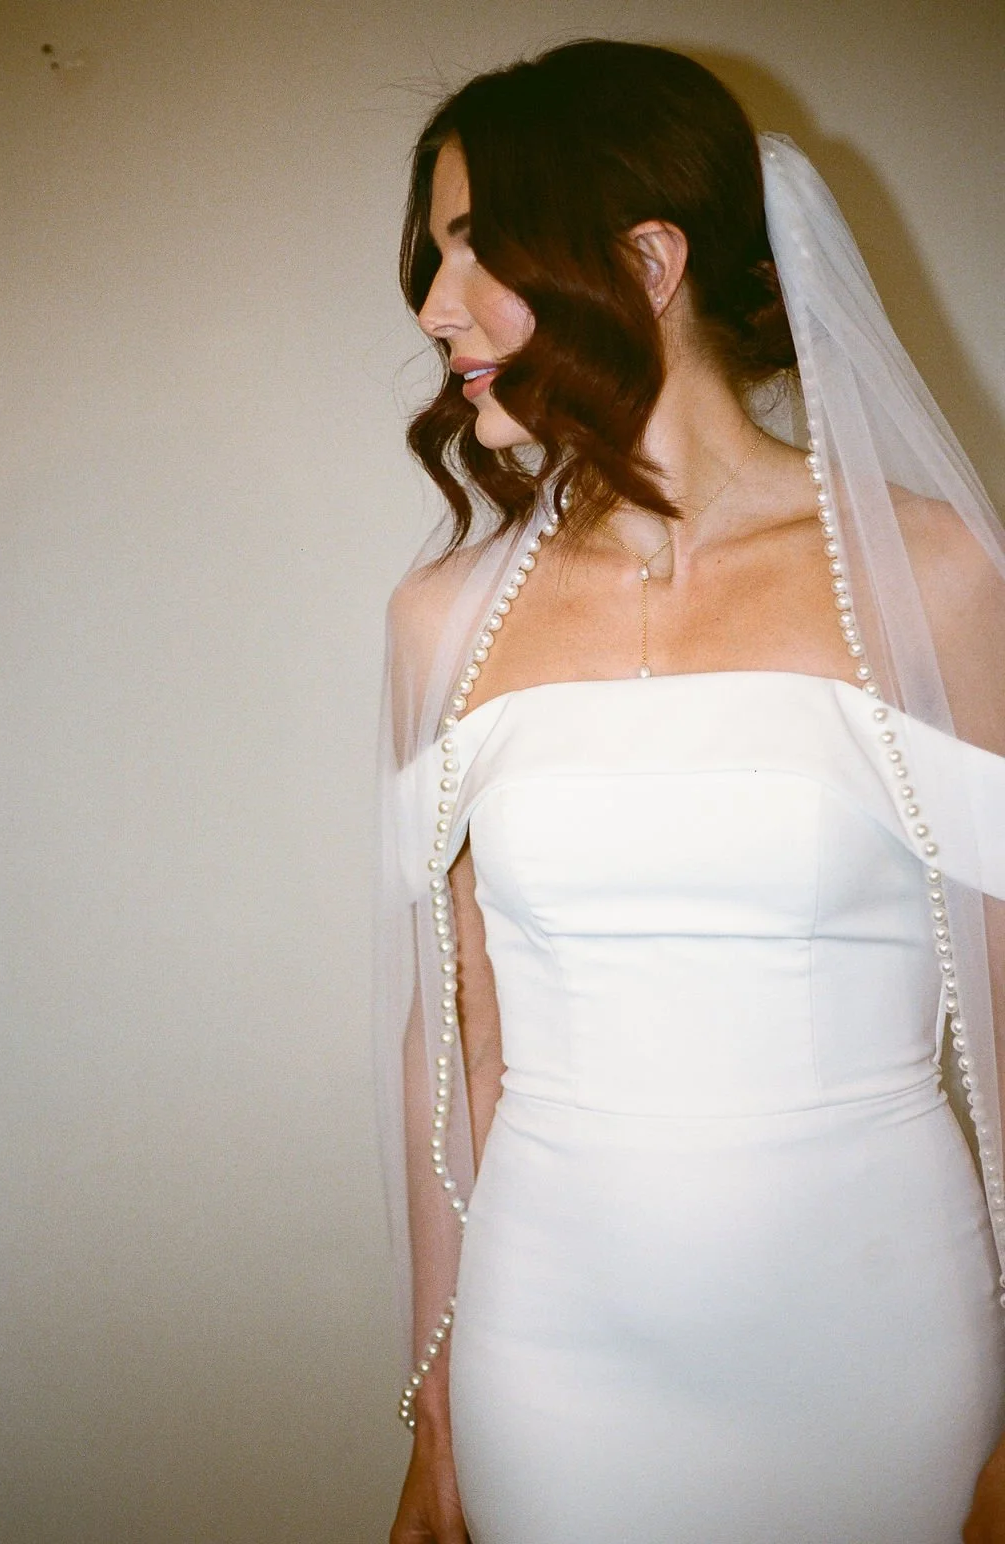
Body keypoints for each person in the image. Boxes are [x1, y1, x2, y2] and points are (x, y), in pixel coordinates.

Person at [374, 39, 1005, 1544]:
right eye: (431, 257)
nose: (433, 308)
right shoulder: (441, 620)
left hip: (883, 1327)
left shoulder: (934, 575)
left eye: (476, 247)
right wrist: (435, 1389)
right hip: (553, 1332)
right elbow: (454, 1030)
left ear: (648, 262)